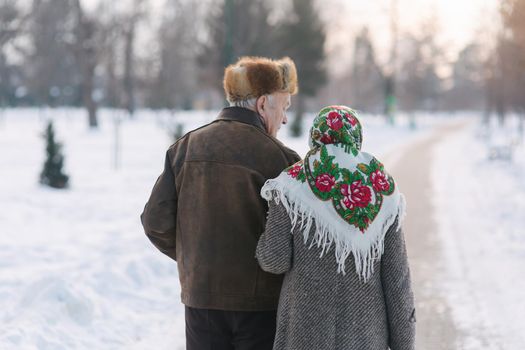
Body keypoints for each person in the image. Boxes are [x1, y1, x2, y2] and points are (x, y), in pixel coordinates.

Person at [141, 56, 301, 350]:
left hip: (201, 299)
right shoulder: (282, 159)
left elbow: (155, 222)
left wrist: (198, 258)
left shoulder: (185, 148)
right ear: (263, 104)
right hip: (261, 307)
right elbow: (296, 240)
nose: (286, 118)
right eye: (284, 106)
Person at [256, 105, 416, 350]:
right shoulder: (381, 189)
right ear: (357, 138)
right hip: (365, 337)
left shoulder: (290, 185)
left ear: (315, 137)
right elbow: (397, 283)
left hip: (305, 334)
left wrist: (262, 245)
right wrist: (404, 344)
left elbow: (274, 261)